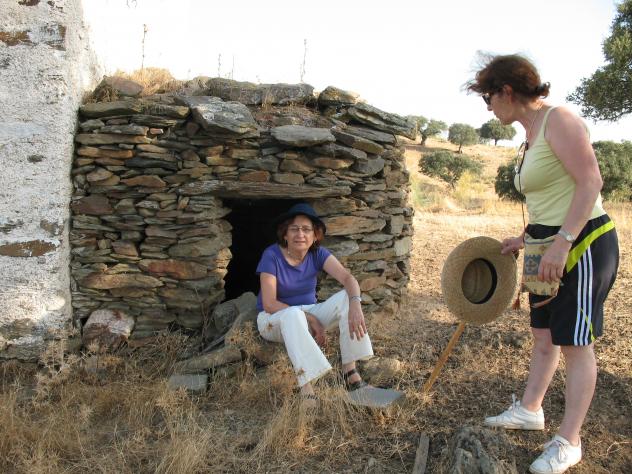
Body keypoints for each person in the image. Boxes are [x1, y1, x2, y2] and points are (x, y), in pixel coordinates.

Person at [466, 54, 619, 474]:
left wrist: (562, 243)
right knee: (543, 335)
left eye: (488, 98)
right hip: (545, 244)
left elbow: (591, 182)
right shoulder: (530, 134)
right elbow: (550, 195)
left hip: (582, 243)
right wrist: (527, 238)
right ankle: (531, 409)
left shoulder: (559, 120)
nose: (488, 107)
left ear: (506, 91)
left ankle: (570, 441)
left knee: (575, 343)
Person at [255, 202, 374, 407]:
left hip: (308, 312)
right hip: (274, 318)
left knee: (346, 297)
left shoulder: (318, 254)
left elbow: (348, 278)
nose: (300, 234)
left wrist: (355, 304)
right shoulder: (271, 255)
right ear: (285, 234)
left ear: (315, 235)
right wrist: (310, 318)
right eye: (294, 229)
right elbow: (269, 303)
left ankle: (350, 372)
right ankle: (307, 388)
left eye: (306, 229)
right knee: (293, 315)